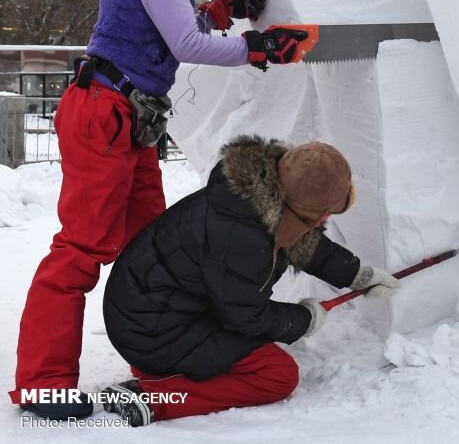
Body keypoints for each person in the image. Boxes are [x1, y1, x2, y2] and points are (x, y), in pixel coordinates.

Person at [10, 0, 310, 420]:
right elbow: (184, 44)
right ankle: (42, 382)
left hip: (129, 118)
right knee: (82, 248)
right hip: (102, 114)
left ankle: (160, 354)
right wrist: (256, 47)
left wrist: (222, 10)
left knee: (153, 245)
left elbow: (166, 25)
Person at [99, 135, 399, 426]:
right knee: (277, 375)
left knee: (253, 350)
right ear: (302, 212)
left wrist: (357, 275)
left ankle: (163, 370)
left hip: (151, 315)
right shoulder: (241, 239)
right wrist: (303, 319)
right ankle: (153, 398)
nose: (325, 222)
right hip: (151, 331)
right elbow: (244, 316)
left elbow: (304, 244)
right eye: (322, 216)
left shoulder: (255, 200)